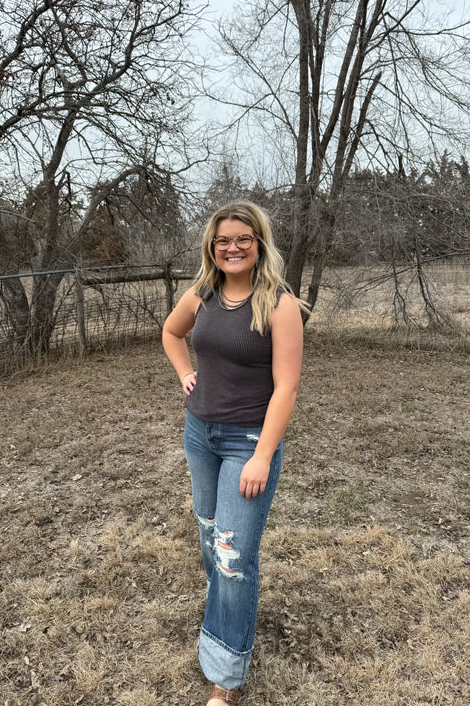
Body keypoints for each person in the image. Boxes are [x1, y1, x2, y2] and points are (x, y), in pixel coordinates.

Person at [162, 200, 305, 705]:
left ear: (259, 243)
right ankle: (226, 610)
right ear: (212, 246)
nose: (233, 247)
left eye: (243, 238)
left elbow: (286, 388)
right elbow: (171, 332)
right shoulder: (201, 295)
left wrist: (263, 455)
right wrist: (184, 372)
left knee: (233, 553)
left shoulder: (280, 305)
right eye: (223, 240)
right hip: (200, 434)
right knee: (209, 535)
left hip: (248, 442)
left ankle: (225, 678)